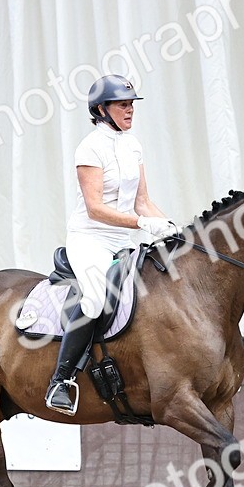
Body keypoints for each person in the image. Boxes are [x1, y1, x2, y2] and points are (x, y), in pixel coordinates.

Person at [45, 74, 178, 415]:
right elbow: (95, 208)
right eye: (123, 105)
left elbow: (143, 201)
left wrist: (171, 227)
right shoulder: (90, 147)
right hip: (90, 238)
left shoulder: (134, 145)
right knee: (93, 299)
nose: (130, 110)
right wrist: (142, 223)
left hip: (125, 239)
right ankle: (61, 380)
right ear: (102, 109)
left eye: (132, 104)